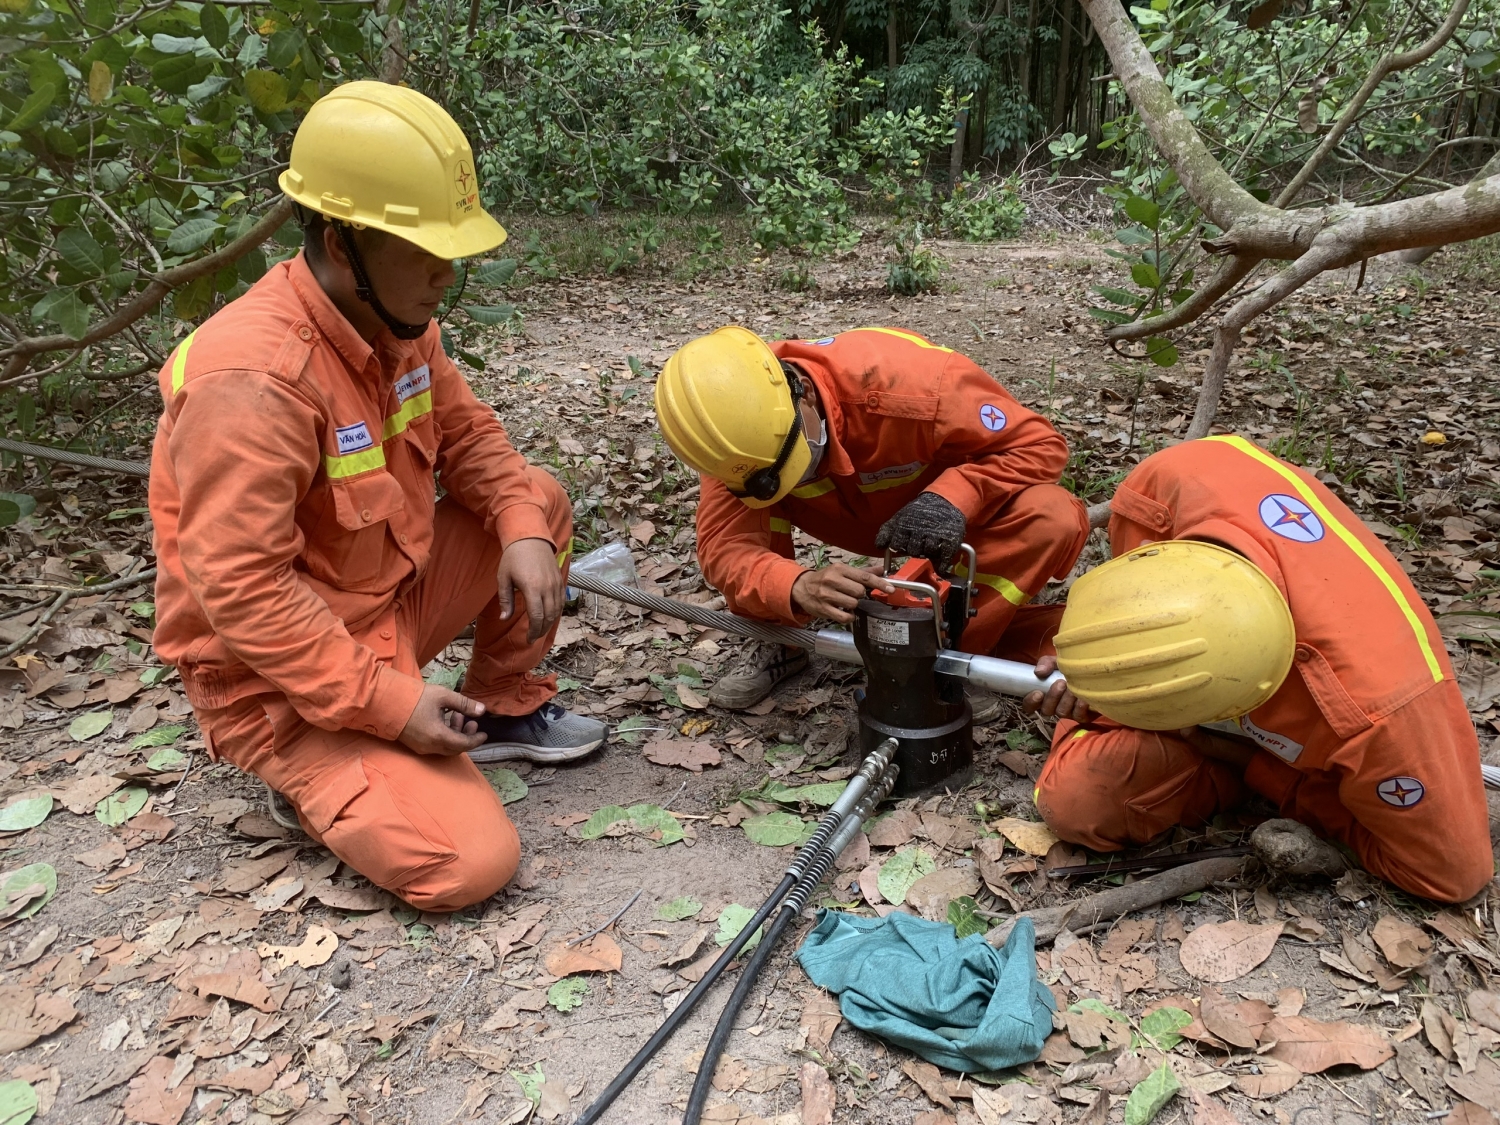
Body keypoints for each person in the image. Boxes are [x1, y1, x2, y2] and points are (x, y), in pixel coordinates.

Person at [149, 82, 605, 913]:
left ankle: (500, 710)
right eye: (423, 249)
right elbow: (244, 595)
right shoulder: (253, 381)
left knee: (535, 500)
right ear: (340, 241)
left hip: (381, 606)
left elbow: (470, 439)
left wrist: (522, 526)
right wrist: (392, 706)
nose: (446, 273)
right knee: (467, 864)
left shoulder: (396, 322)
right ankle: (314, 775)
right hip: (273, 680)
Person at [1023, 435, 1491, 904]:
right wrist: (1100, 670)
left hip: (1303, 741)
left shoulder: (1383, 714)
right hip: (1222, 720)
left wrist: (1255, 767)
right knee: (1075, 800)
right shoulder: (1169, 487)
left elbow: (1450, 877)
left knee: (1082, 805)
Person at [654, 326, 1090, 710]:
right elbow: (726, 549)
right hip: (845, 518)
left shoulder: (913, 385)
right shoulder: (730, 438)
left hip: (940, 521)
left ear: (802, 391)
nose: (799, 478)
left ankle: (954, 652)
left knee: (1051, 517)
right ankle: (780, 641)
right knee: (755, 541)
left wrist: (953, 497)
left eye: (798, 461)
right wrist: (796, 585)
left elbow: (1040, 446)